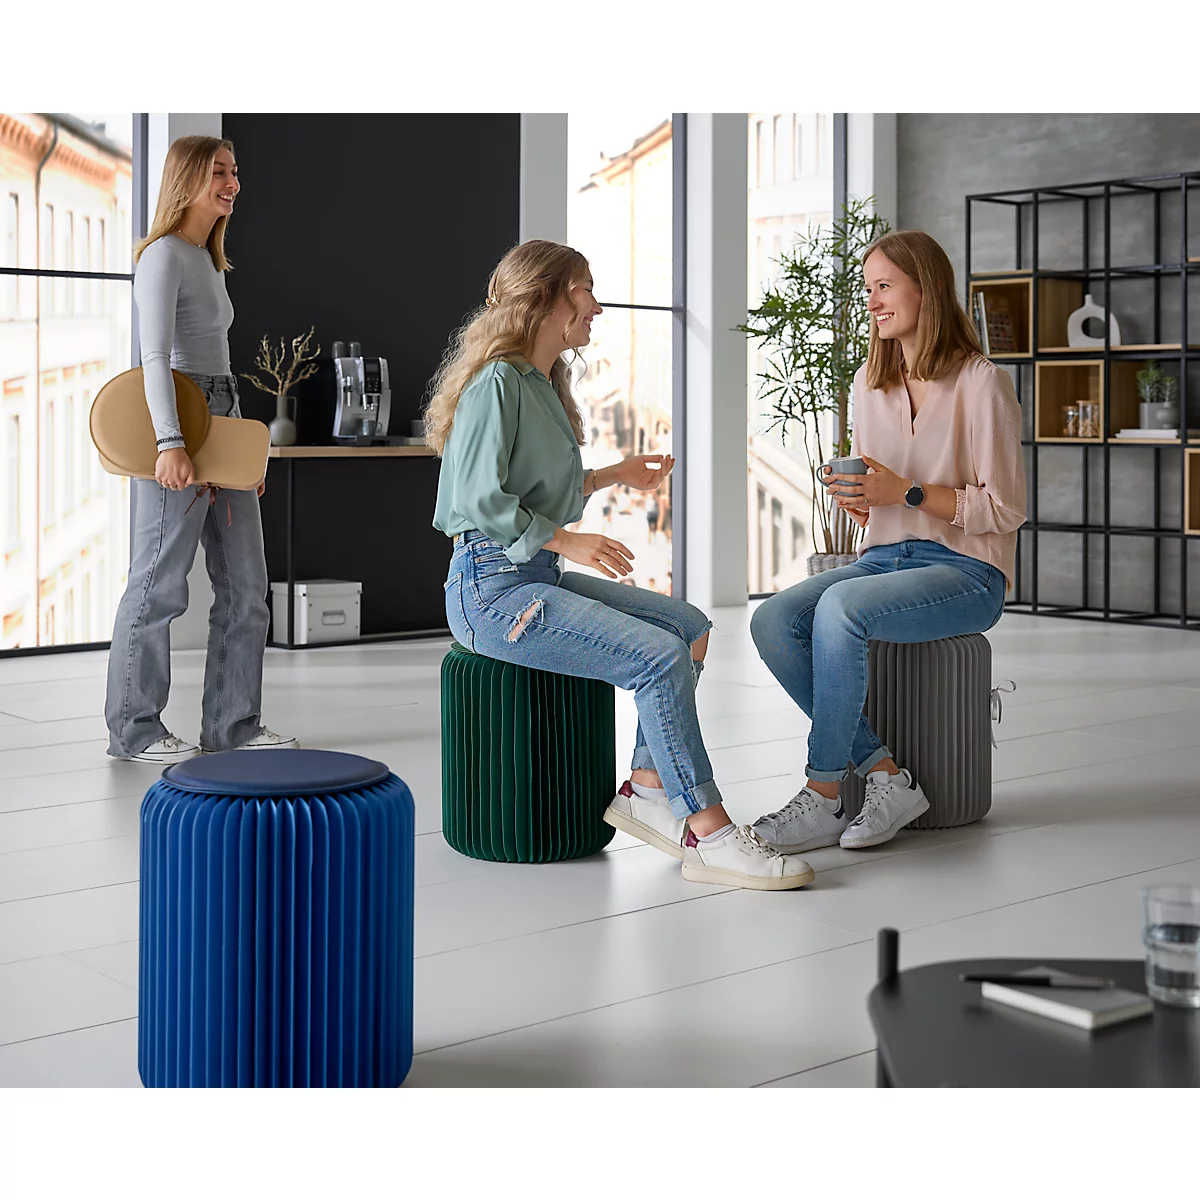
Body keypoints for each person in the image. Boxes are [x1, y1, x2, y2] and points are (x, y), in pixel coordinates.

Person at [427, 239, 812, 890]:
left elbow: (540, 485)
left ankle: (646, 786)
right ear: (546, 299)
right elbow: (477, 500)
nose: (596, 306)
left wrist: (615, 475)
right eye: (585, 290)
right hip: (488, 589)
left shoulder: (540, 382)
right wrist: (566, 541)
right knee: (656, 659)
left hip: (530, 577)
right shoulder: (495, 382)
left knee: (688, 627)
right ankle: (709, 832)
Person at [750, 230, 1025, 852]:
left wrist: (906, 493)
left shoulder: (982, 383)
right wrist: (858, 501)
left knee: (840, 609)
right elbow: (878, 504)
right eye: (867, 289)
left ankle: (823, 796)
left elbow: (1005, 510)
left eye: (884, 286)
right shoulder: (868, 386)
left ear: (924, 288)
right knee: (772, 619)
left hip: (966, 570)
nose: (871, 301)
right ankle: (883, 775)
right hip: (883, 558)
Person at [105, 136, 296, 764]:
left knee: (246, 586)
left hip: (222, 414)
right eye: (219, 172)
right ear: (186, 178)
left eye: (235, 172)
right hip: (181, 420)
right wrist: (170, 443)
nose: (232, 183)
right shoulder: (162, 256)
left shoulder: (207, 259)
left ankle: (233, 726)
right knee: (159, 583)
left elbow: (222, 367)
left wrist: (245, 455)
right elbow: (156, 359)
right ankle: (134, 730)